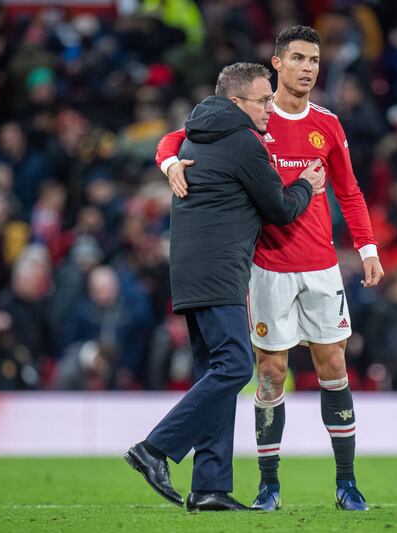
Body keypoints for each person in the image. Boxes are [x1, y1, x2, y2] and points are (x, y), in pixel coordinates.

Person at [157, 25, 384, 511]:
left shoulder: (329, 123)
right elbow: (173, 138)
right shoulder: (251, 120)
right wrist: (169, 163)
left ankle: (346, 483)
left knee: (334, 366)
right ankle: (268, 486)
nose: (308, 68)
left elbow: (349, 191)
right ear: (277, 64)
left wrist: (367, 248)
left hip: (321, 265)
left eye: (315, 60)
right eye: (299, 58)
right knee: (269, 374)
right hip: (266, 266)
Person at [125, 62, 324, 512]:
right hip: (219, 274)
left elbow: (171, 141)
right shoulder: (241, 143)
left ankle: (210, 486)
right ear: (236, 103)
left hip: (192, 273)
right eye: (263, 100)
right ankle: (154, 448)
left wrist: (169, 156)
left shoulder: (199, 133)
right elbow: (278, 208)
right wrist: (307, 186)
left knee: (214, 372)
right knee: (235, 367)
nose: (271, 108)